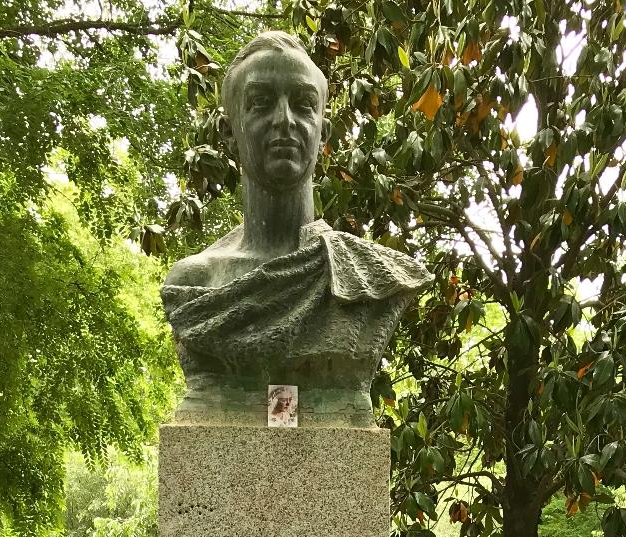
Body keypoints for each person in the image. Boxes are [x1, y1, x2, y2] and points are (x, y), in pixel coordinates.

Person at [162, 32, 430, 427]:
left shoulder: (373, 278)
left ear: (322, 128)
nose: (285, 120)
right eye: (261, 103)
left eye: (304, 104)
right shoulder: (196, 284)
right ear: (230, 129)